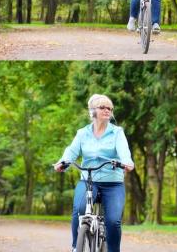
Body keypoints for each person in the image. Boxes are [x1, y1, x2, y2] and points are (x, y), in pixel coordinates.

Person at [54, 94, 135, 252]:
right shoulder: (82, 133)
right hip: (88, 180)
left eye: (110, 108)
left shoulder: (117, 132)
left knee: (113, 221)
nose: (107, 110)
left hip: (113, 183)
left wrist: (127, 162)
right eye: (103, 107)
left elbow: (124, 151)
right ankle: (75, 247)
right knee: (79, 209)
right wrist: (62, 162)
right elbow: (71, 151)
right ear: (92, 112)